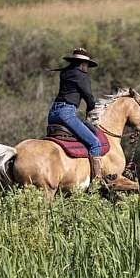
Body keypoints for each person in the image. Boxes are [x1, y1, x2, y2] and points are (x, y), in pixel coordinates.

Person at [48, 47, 103, 184]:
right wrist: (91, 109)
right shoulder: (82, 75)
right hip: (66, 113)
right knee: (95, 143)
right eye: (87, 66)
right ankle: (97, 183)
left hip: (53, 113)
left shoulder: (65, 73)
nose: (87, 69)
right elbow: (88, 96)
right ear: (83, 64)